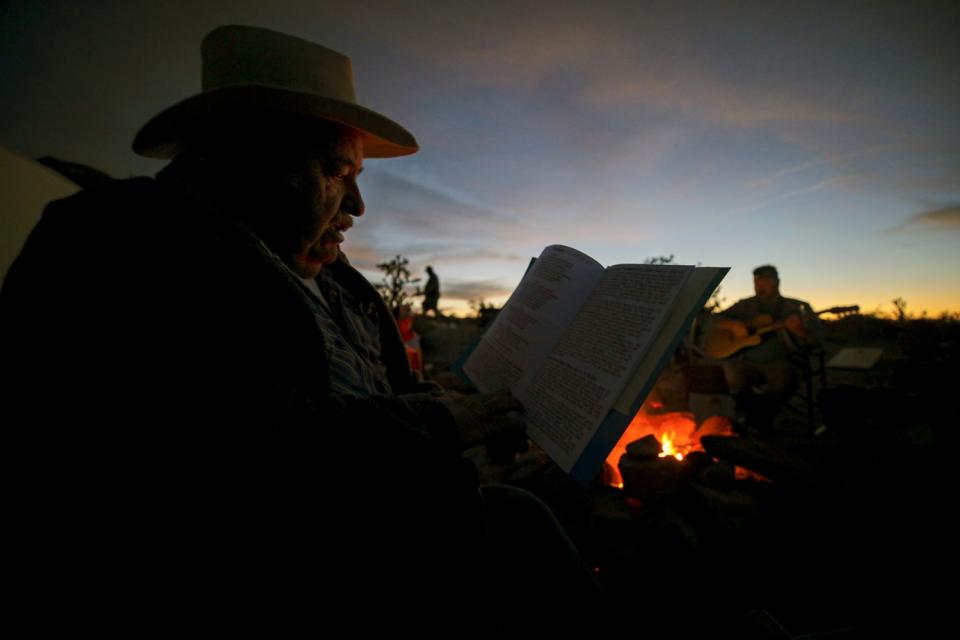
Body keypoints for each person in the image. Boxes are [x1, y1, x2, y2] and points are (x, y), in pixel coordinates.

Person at [1, 25, 604, 635]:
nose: (359, 205)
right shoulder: (121, 244)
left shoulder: (329, 274)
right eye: (337, 171)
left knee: (525, 522)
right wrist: (447, 422)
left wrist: (449, 405)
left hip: (411, 535)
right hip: (284, 586)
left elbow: (371, 397)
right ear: (244, 158)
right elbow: (235, 444)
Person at [711, 265, 822, 430]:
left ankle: (757, 422)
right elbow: (713, 320)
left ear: (777, 282)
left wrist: (800, 331)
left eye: (766, 280)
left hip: (783, 362)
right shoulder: (744, 306)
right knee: (728, 375)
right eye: (757, 281)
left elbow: (817, 339)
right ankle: (753, 417)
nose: (760, 285)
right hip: (747, 362)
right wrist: (732, 325)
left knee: (783, 380)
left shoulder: (797, 307)